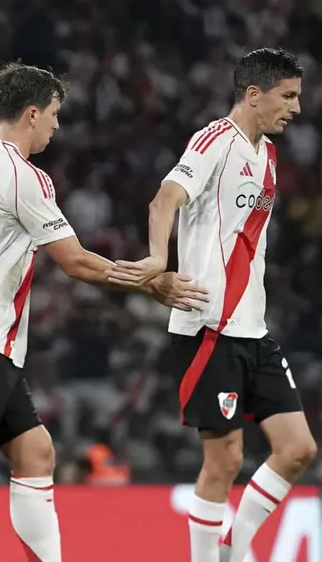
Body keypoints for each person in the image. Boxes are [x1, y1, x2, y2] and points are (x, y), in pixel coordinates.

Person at [0, 62, 208, 562]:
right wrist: (151, 280)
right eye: (54, 114)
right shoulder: (22, 174)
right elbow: (77, 261)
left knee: (36, 451)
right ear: (32, 113)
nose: (57, 125)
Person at [107, 48, 317, 562]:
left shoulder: (266, 153)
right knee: (224, 462)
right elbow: (164, 199)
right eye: (287, 96)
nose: (295, 107)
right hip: (208, 326)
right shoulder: (214, 141)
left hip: (254, 329)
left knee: (298, 450)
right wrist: (159, 259)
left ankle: (232, 547)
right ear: (253, 94)